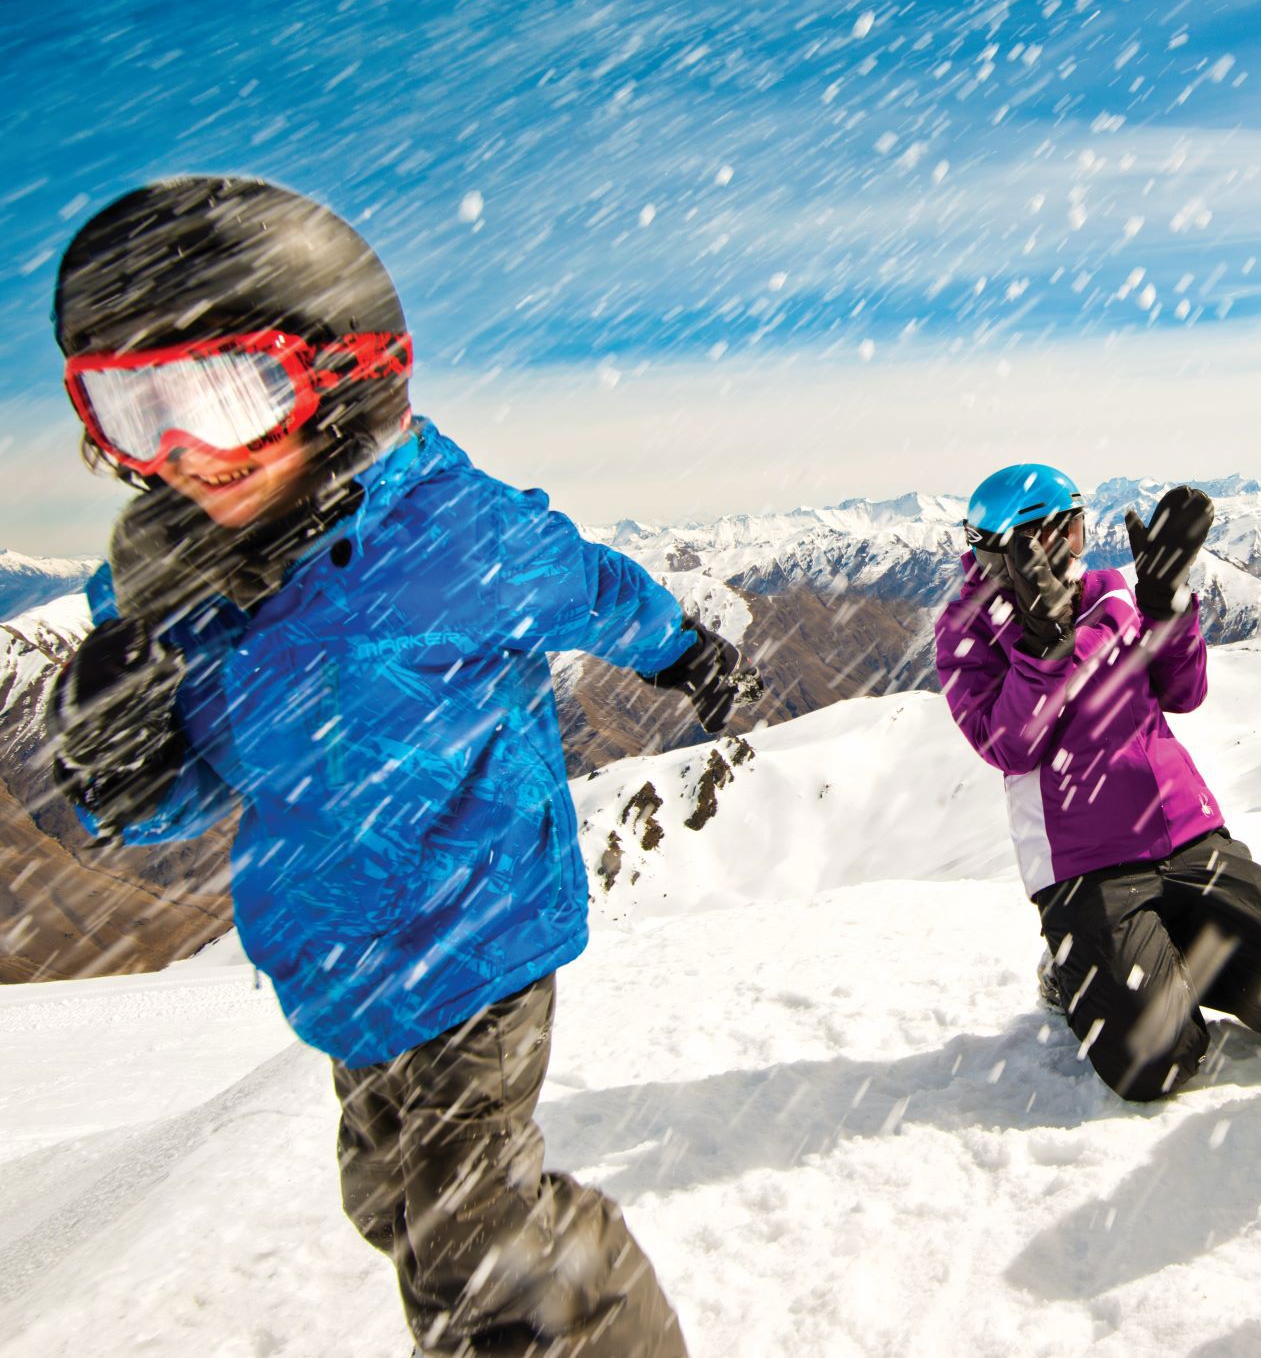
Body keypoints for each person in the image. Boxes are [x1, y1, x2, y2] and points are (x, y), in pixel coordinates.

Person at [42, 176, 758, 1358]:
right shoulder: (175, 587)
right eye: (134, 407)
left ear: (345, 373)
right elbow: (200, 791)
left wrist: (688, 654)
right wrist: (126, 765)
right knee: (392, 1209)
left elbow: (594, 589)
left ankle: (591, 1323)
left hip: (480, 929)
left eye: (227, 392)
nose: (184, 453)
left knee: (477, 1245)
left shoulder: (456, 534)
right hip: (336, 956)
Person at [933, 463, 1261, 1102]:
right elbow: (1009, 748)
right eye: (1070, 531)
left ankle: (1168, 949)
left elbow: (1185, 691)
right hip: (1085, 863)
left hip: (1186, 832)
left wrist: (1166, 606)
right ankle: (1072, 972)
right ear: (1031, 542)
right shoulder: (967, 632)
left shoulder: (1107, 593)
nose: (1080, 544)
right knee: (1154, 1064)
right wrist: (1043, 648)